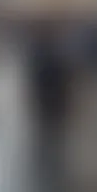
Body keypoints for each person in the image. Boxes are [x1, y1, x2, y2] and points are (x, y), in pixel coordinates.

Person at [27, 16, 75, 168]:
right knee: (54, 132)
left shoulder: (39, 53)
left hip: (47, 100)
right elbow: (64, 79)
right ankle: (51, 158)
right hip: (53, 100)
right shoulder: (55, 54)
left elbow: (35, 80)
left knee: (47, 131)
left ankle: (45, 157)